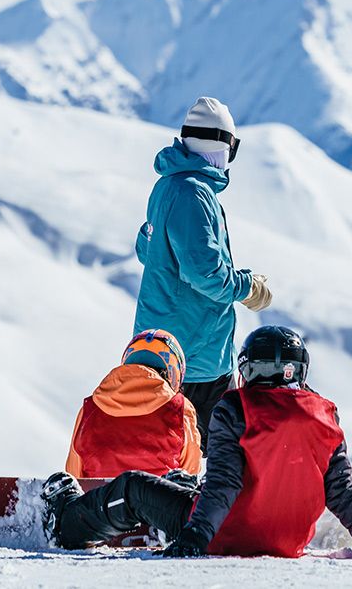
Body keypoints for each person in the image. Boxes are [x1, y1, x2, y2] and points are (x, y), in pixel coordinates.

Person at [41, 326, 352, 558]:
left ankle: (67, 523)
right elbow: (342, 493)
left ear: (246, 371)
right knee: (184, 484)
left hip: (223, 533)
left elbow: (225, 483)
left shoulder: (236, 406)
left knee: (132, 487)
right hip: (288, 543)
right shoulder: (325, 414)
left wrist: (195, 537)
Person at [133, 97, 272, 450]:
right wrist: (248, 286)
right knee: (214, 457)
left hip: (163, 350)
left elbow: (146, 250)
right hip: (196, 358)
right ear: (221, 145)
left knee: (167, 454)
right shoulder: (193, 194)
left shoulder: (168, 185)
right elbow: (205, 272)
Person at [65, 329, 201, 479]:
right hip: (158, 499)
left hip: (99, 499)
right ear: (173, 372)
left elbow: (75, 474)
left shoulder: (89, 409)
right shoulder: (180, 409)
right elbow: (190, 472)